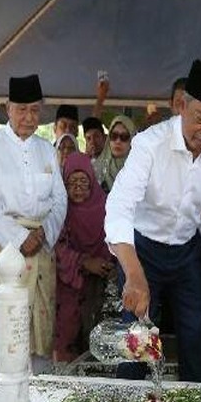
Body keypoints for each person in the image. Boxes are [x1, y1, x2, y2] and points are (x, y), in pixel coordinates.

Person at [105, 59, 201, 382]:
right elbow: (119, 207)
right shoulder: (150, 144)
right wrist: (133, 274)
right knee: (136, 338)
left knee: (195, 333)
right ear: (181, 107)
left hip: (185, 252)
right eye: (200, 118)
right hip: (142, 251)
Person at [0, 74, 67, 375]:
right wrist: (18, 238)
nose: (29, 117)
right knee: (9, 325)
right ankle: (7, 391)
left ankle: (40, 388)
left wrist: (44, 232)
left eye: (35, 110)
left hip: (42, 244)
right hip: (4, 246)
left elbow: (60, 199)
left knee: (41, 326)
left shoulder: (46, 148)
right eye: (22, 109)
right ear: (8, 109)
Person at [54, 153, 115, 362]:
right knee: (67, 336)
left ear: (92, 182)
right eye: (72, 183)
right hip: (69, 285)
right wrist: (84, 262)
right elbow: (58, 247)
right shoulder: (61, 211)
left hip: (103, 285)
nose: (78, 188)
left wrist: (106, 263)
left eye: (83, 182)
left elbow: (117, 240)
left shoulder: (107, 207)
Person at [94, 114, 136, 193]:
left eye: (124, 137)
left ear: (132, 140)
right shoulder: (96, 169)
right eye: (114, 136)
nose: (118, 141)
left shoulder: (139, 171)